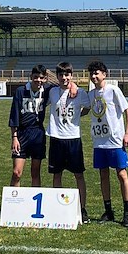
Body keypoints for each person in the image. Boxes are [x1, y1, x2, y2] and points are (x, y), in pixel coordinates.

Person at [87, 60, 128, 227]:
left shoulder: (113, 90)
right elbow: (85, 109)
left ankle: (127, 212)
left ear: (104, 74)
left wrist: (127, 133)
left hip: (115, 141)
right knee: (103, 175)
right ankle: (108, 210)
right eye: (91, 73)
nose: (93, 76)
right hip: (99, 142)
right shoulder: (90, 94)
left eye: (96, 73)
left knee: (122, 175)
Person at [46, 61, 91, 223]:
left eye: (67, 75)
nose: (64, 78)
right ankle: (57, 208)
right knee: (56, 174)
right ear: (57, 76)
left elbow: (88, 107)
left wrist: (80, 116)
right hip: (56, 138)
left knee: (79, 175)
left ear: (71, 76)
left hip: (73, 139)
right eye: (61, 75)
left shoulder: (80, 93)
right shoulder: (52, 92)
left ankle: (82, 209)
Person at [8, 65, 50, 187]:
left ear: (45, 79)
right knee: (17, 172)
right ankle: (14, 202)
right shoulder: (21, 91)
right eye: (36, 77)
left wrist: (73, 86)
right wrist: (14, 137)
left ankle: (34, 205)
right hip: (22, 134)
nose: (38, 80)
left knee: (35, 172)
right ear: (31, 77)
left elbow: (63, 84)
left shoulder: (46, 91)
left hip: (38, 134)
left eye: (41, 78)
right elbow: (14, 114)